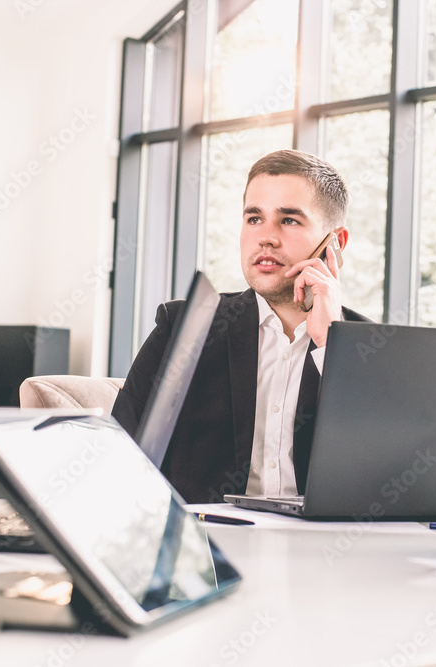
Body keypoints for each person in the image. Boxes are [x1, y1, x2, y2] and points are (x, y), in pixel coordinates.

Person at [112, 149, 370, 503]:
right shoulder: (183, 328)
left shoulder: (367, 347)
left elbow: (379, 475)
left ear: (335, 242)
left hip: (321, 538)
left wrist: (330, 344)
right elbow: (119, 455)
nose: (266, 237)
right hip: (205, 534)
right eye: (254, 218)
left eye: (289, 220)